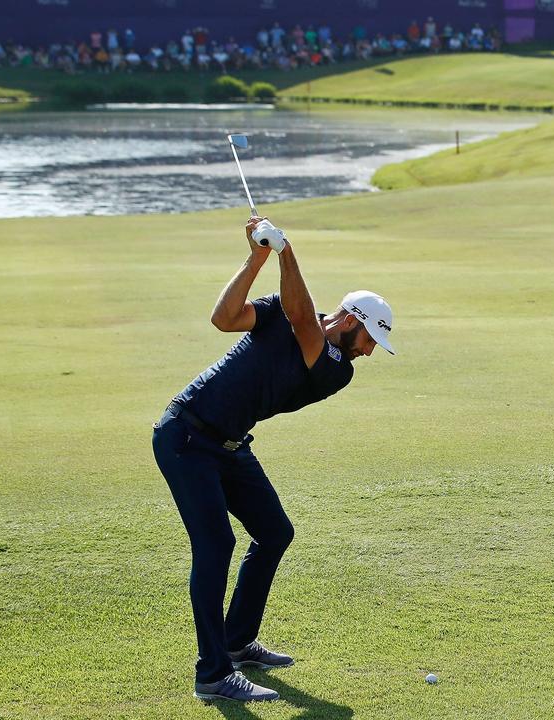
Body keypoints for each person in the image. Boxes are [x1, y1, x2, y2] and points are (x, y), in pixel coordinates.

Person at [153, 217, 396, 702]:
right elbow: (224, 318)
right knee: (217, 545)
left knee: (274, 532)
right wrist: (259, 256)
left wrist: (287, 251)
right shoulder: (280, 313)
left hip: (229, 445)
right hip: (185, 436)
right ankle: (213, 673)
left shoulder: (336, 369)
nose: (369, 352)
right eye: (370, 338)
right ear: (349, 320)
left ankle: (238, 642)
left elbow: (305, 322)